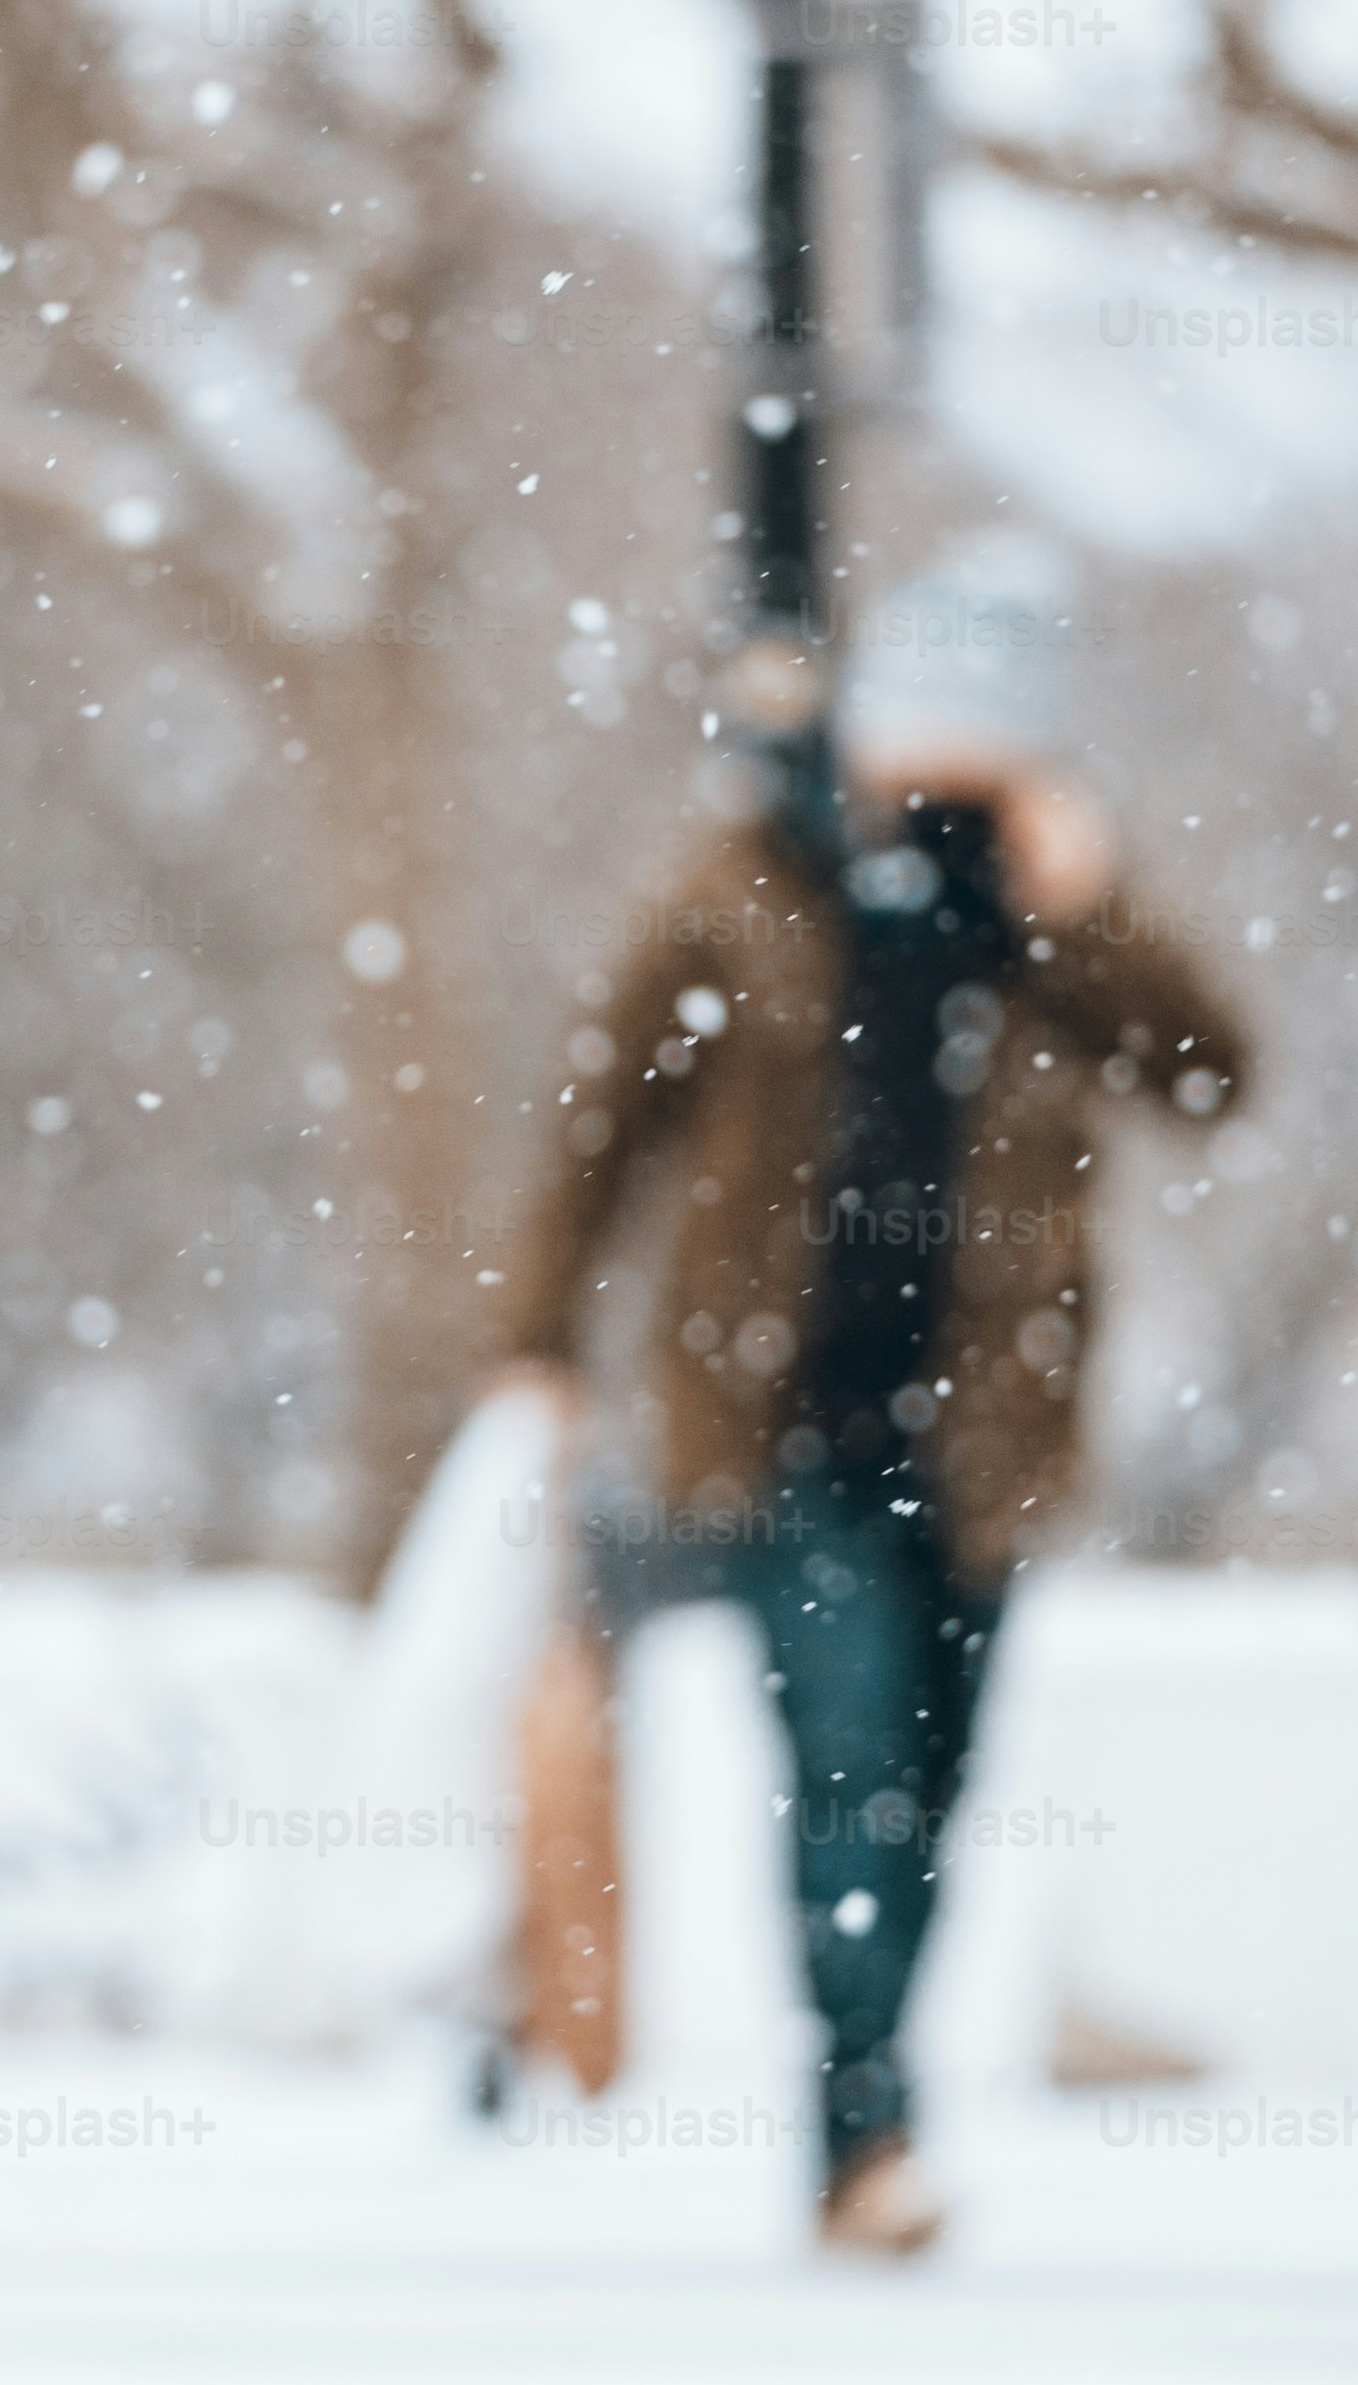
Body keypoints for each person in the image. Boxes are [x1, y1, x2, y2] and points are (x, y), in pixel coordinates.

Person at [483, 552, 1244, 2258]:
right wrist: (534, 1333)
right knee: (849, 1766)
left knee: (933, 1782)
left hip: (984, 1437)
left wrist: (1092, 904)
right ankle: (864, 2135)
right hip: (781, 1420)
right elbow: (605, 1113)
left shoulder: (1046, 918)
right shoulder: (746, 887)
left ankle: (867, 2107)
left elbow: (1211, 1073)